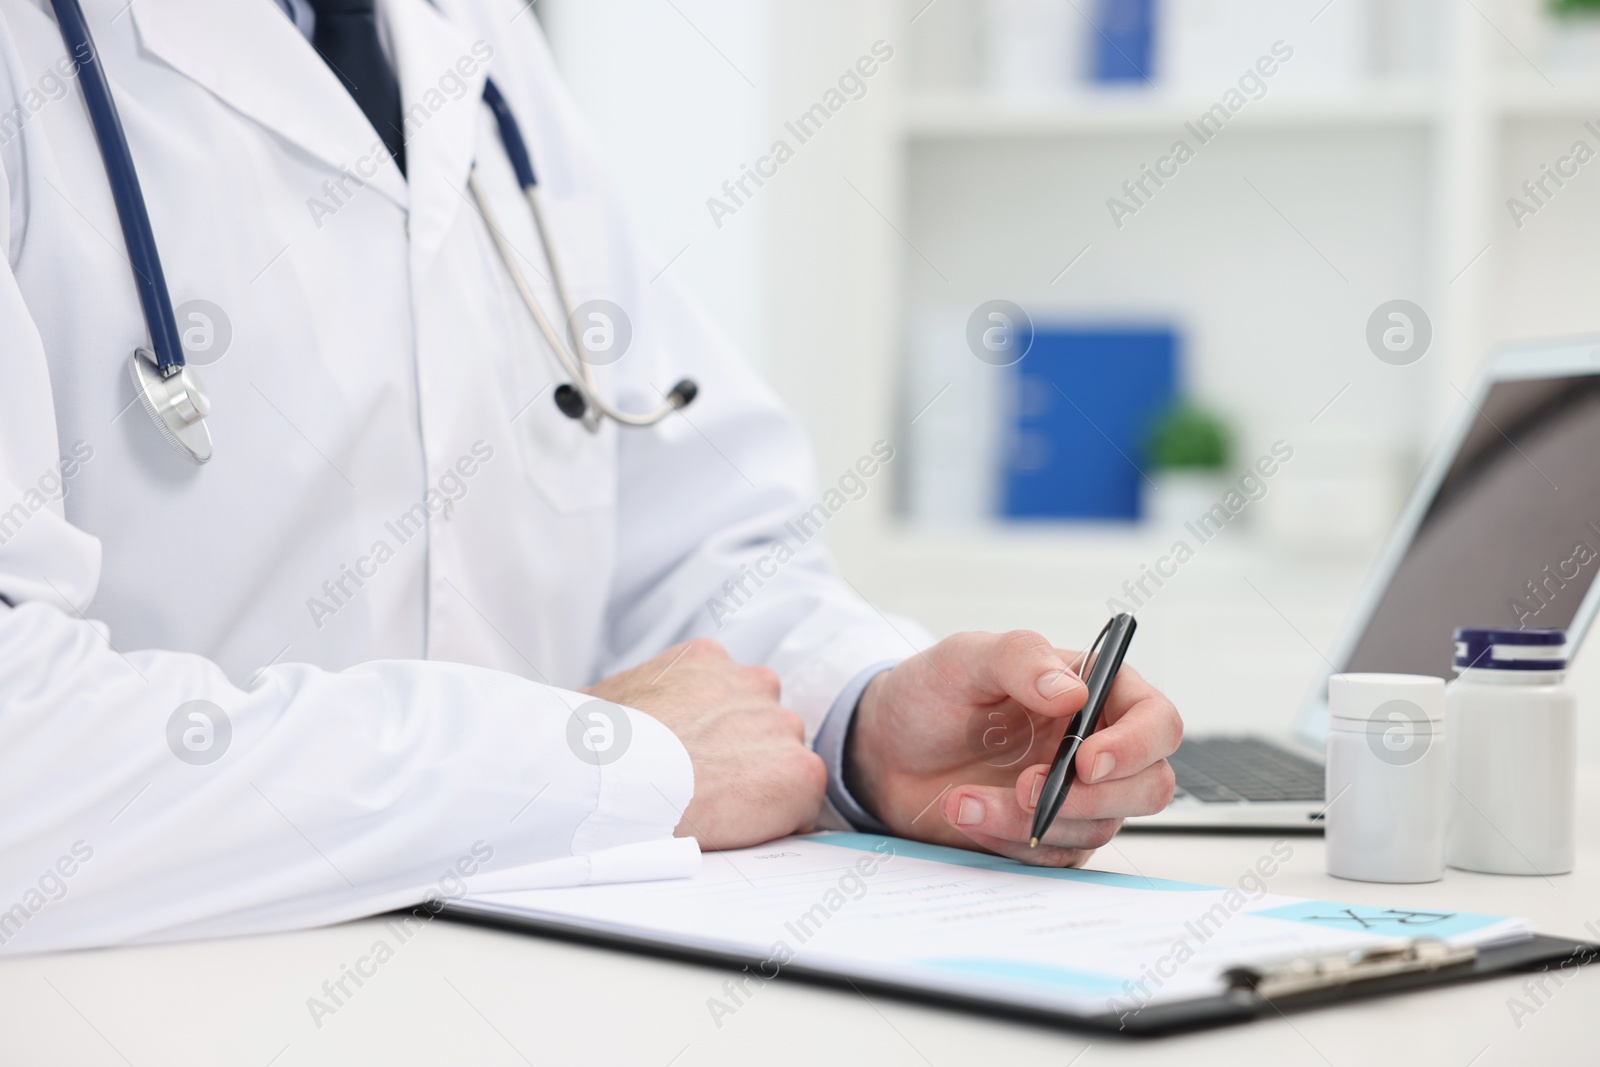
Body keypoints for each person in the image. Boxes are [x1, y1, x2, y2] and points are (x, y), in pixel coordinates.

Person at [0, 0, 1179, 954]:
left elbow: (683, 534)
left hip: (542, 977)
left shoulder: (476, 37)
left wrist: (861, 721)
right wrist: (589, 763)